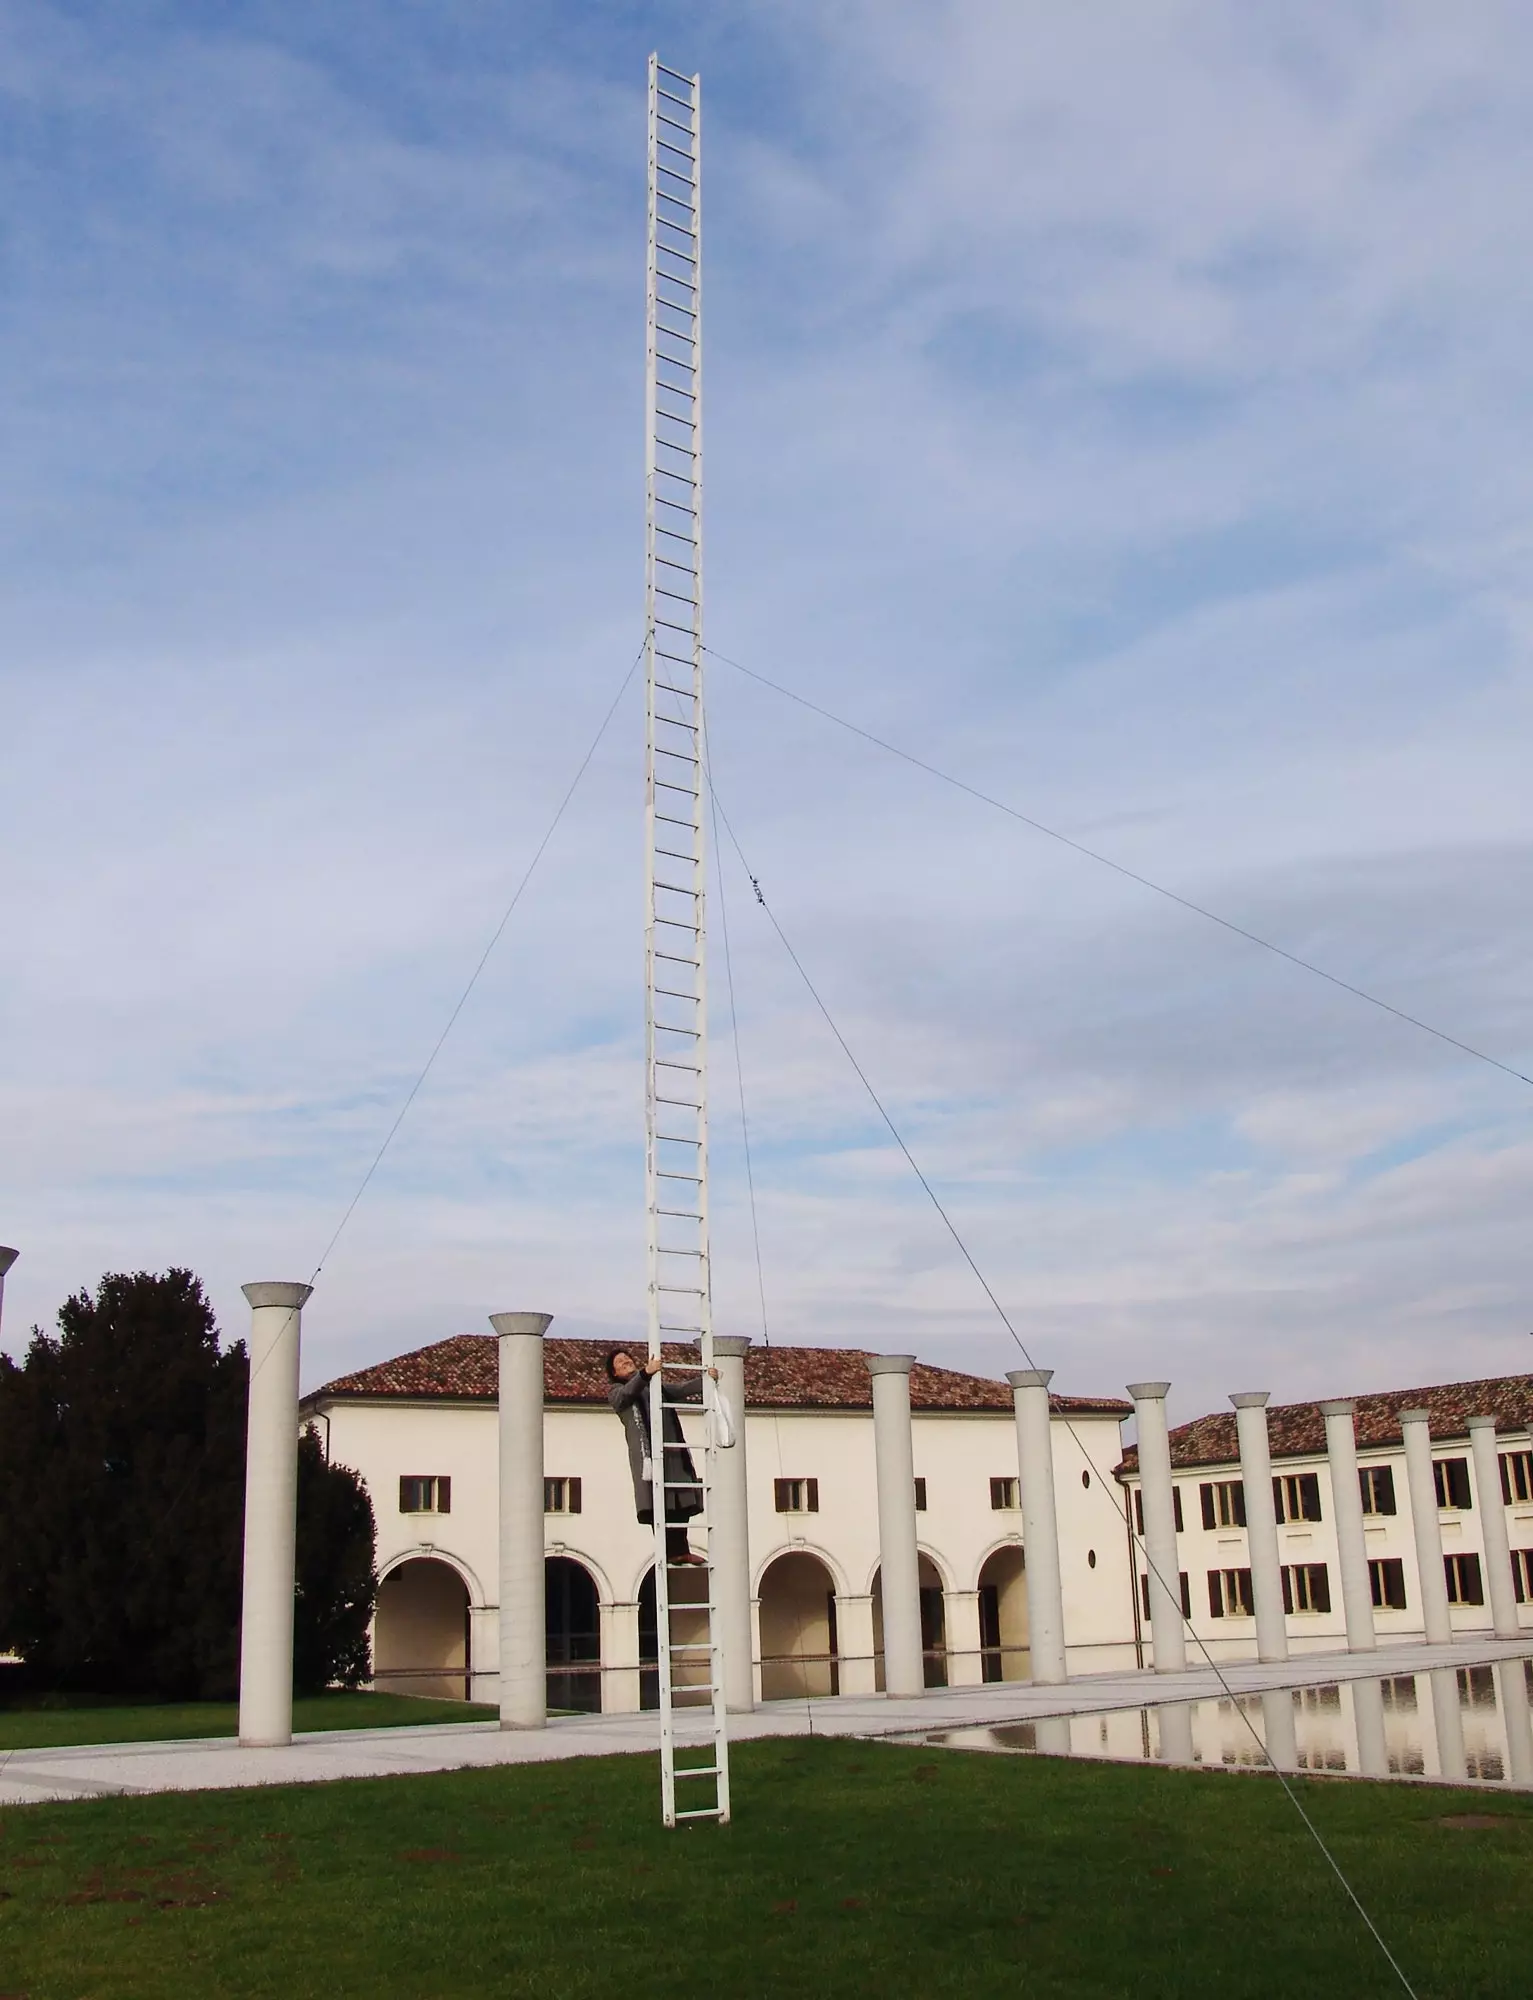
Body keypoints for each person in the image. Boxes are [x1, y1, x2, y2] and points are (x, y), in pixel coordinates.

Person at [606, 1347, 717, 1567]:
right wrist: (646, 1373)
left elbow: (681, 1389)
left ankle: (681, 1551)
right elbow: (626, 1395)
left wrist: (707, 1379)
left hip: (672, 1453)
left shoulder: (654, 1387)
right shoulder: (617, 1392)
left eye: (628, 1358)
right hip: (649, 1456)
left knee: (679, 1500)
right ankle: (670, 1552)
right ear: (614, 1373)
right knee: (658, 1503)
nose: (626, 1361)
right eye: (620, 1361)